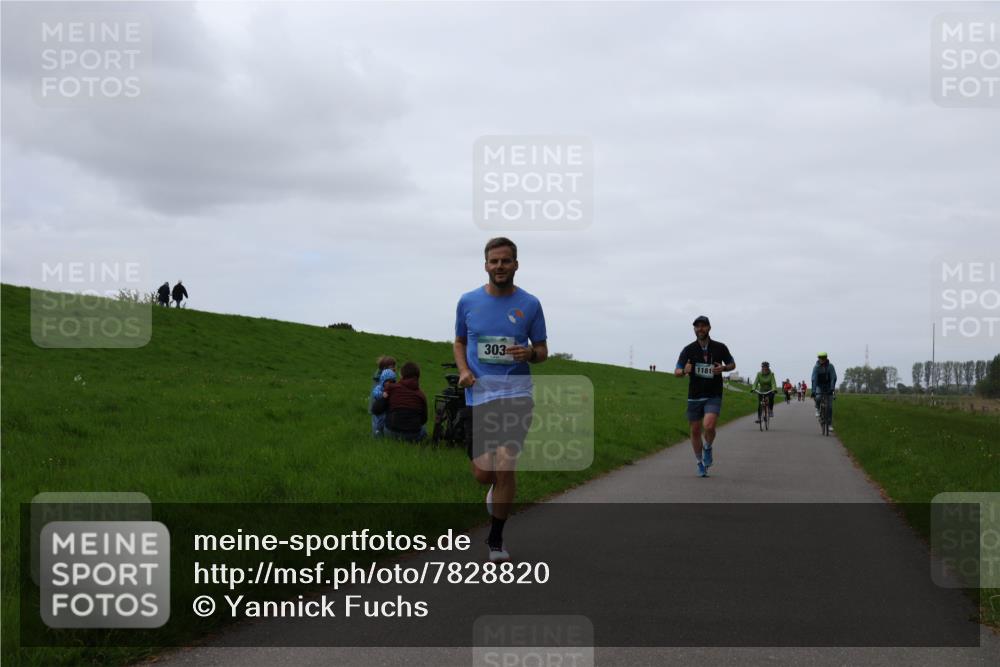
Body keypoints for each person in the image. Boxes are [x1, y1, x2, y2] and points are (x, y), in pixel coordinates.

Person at [454, 237, 547, 562]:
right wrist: (463, 370)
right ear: (485, 265)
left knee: (506, 464)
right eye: (494, 261)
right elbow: (459, 341)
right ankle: (495, 489)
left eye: (505, 261)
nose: (499, 266)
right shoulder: (468, 301)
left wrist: (530, 353)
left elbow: (543, 351)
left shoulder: (530, 304)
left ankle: (496, 540)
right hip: (478, 395)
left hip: (516, 394)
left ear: (516, 265)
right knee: (484, 473)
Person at [674, 315, 735, 477]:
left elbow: (732, 364)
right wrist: (684, 371)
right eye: (697, 326)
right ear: (694, 329)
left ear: (709, 328)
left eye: (703, 326)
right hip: (694, 395)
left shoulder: (720, 347)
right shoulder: (688, 350)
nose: (700, 329)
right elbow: (677, 371)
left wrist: (723, 368)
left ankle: (707, 447)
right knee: (695, 431)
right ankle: (699, 462)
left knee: (709, 425)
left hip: (713, 393)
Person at [383, 362, 428, 441]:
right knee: (423, 428)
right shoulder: (421, 395)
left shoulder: (392, 388)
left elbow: (379, 407)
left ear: (402, 375)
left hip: (391, 432)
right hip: (412, 436)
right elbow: (424, 419)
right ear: (418, 377)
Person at [369, 356, 397, 436]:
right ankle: (376, 434)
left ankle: (382, 433)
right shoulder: (379, 379)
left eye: (394, 366)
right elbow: (375, 393)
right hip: (377, 405)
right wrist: (382, 395)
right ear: (385, 368)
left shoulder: (390, 377)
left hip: (385, 404)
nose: (394, 368)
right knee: (376, 421)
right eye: (392, 366)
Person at [811, 353, 838, 430]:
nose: (822, 359)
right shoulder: (816, 367)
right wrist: (813, 391)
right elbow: (814, 379)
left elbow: (833, 378)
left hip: (829, 386)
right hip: (819, 386)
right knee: (818, 397)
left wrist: (832, 388)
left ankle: (829, 424)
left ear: (826, 358)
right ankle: (817, 408)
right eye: (820, 358)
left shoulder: (830, 366)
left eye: (823, 358)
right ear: (818, 358)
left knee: (829, 407)